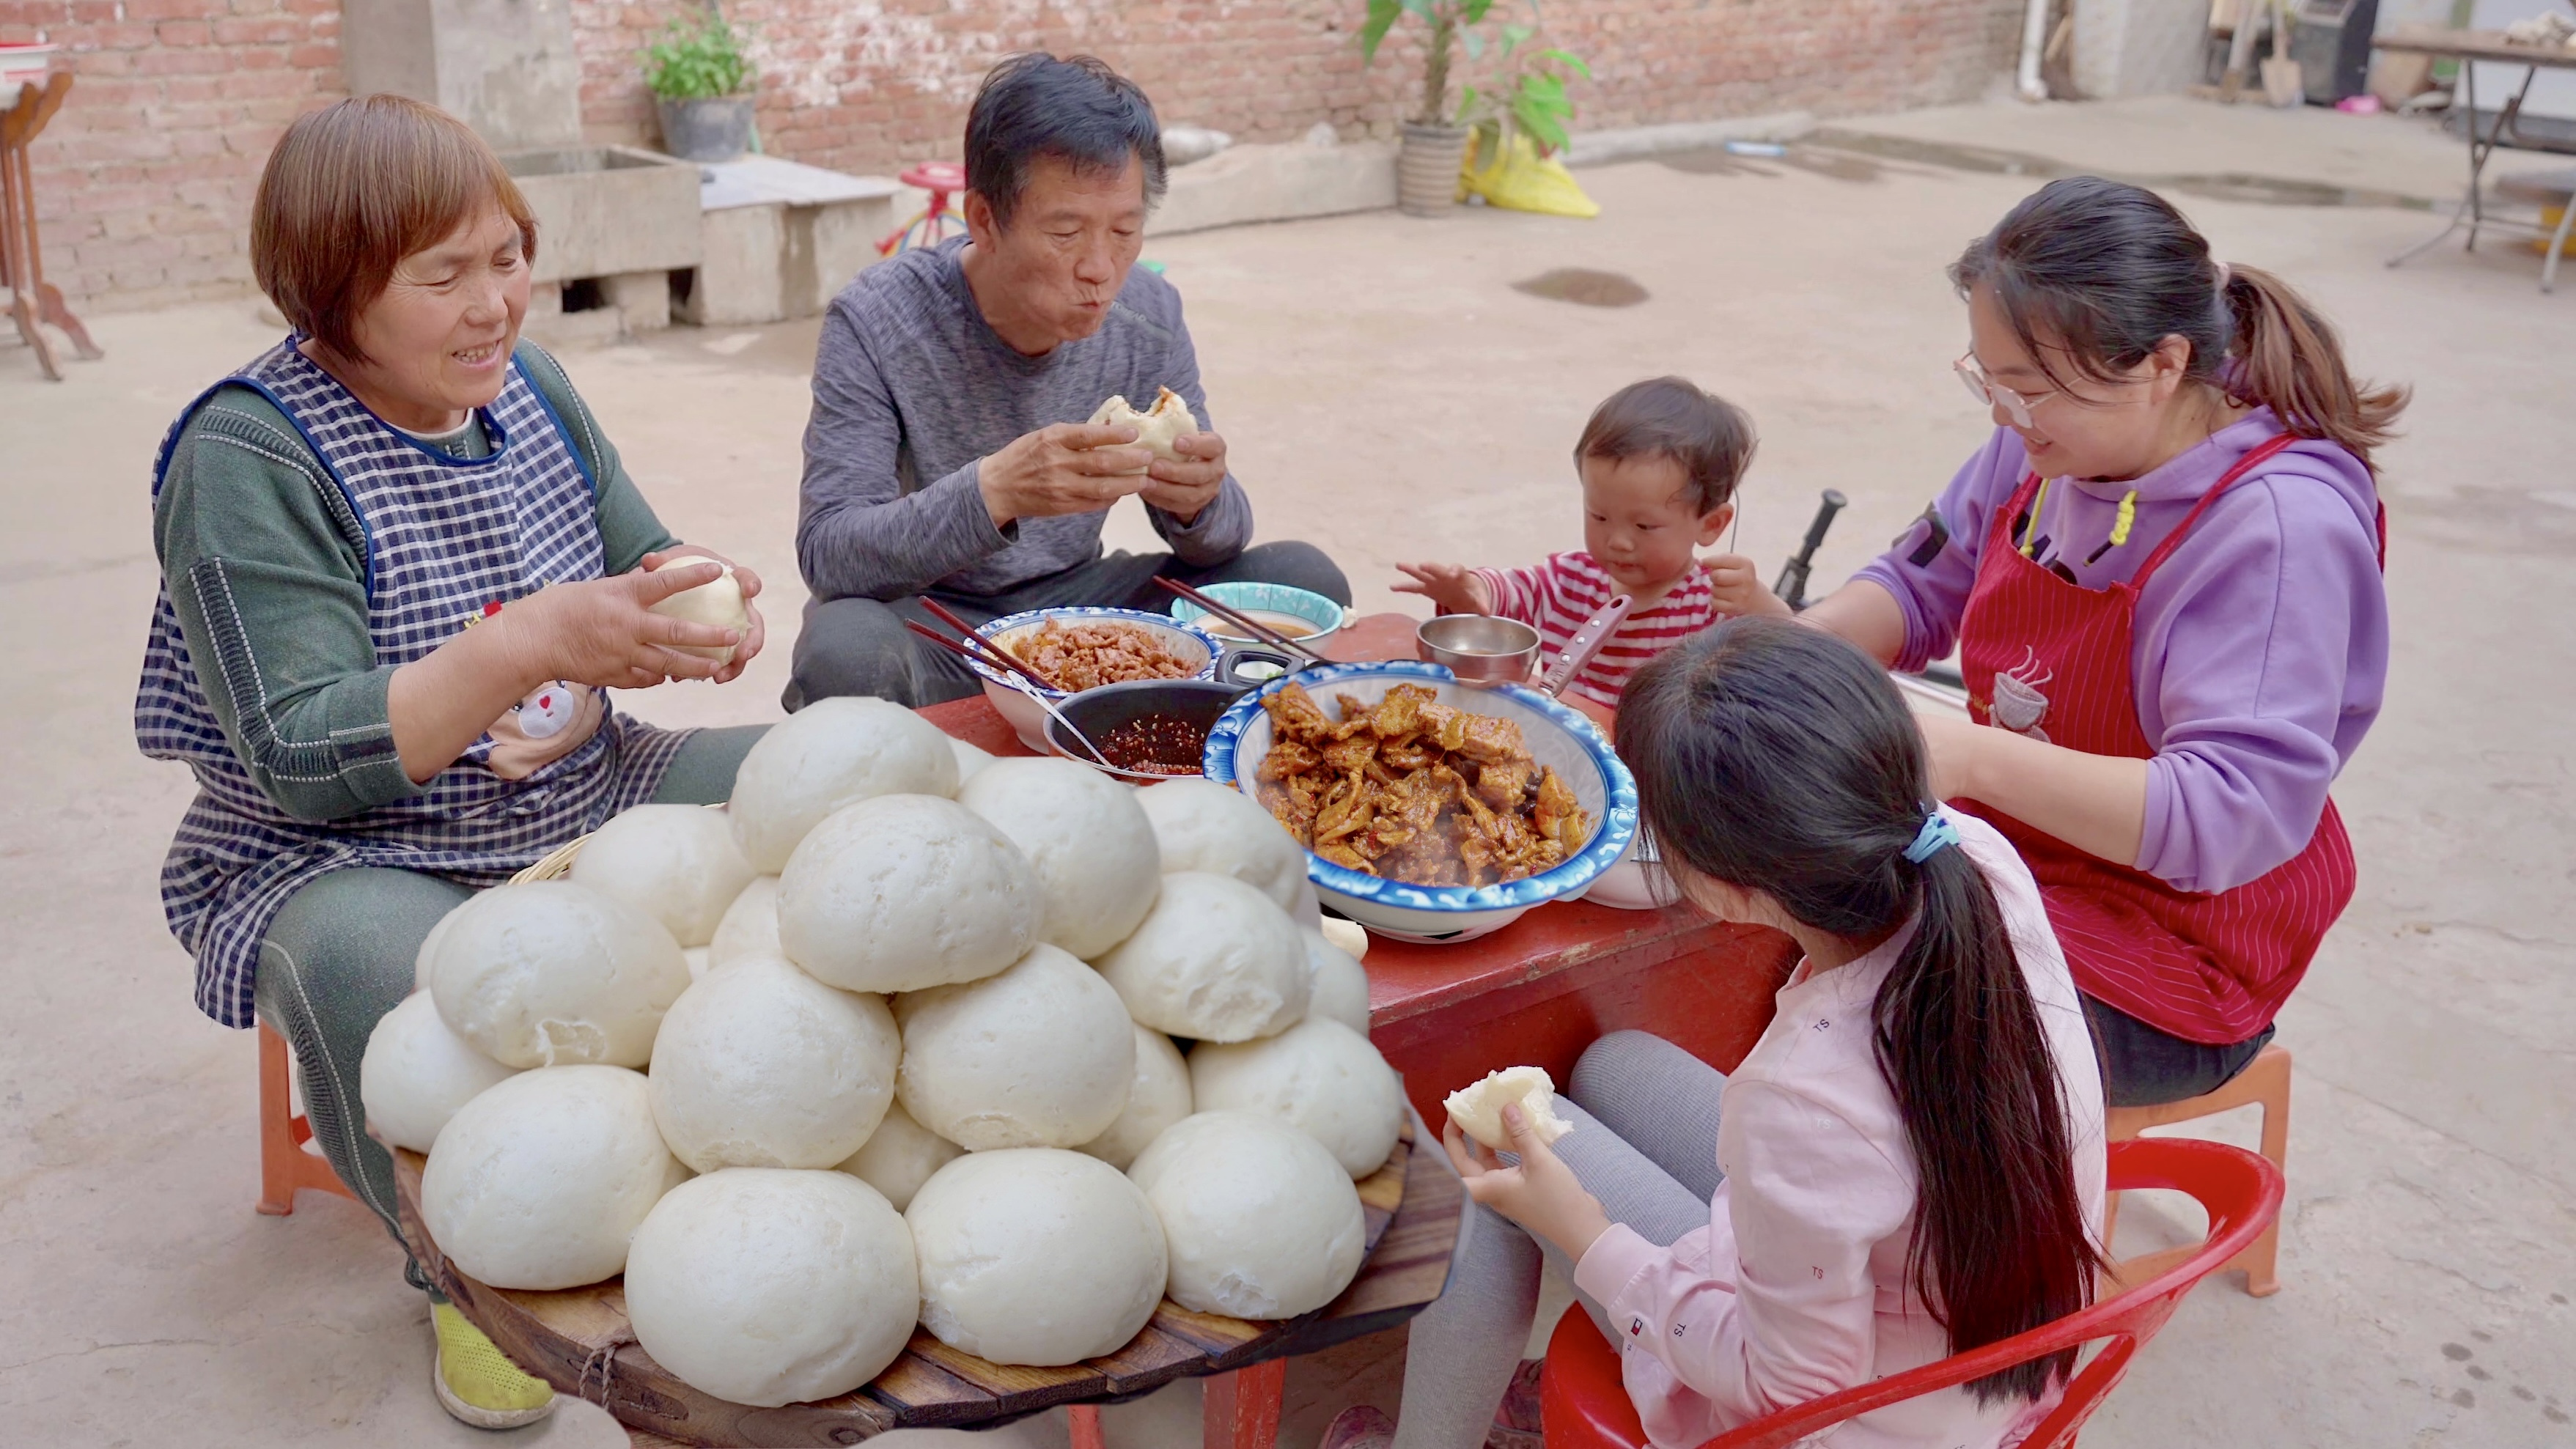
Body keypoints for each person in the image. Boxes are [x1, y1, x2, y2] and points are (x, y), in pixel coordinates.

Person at [135, 95, 768, 1430]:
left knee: (823, 782)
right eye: (442, 277)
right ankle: (462, 1269)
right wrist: (532, 637)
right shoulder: (246, 453)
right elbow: (304, 755)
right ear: (330, 295)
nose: (495, 307)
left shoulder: (527, 387)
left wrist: (690, 594)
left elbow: (638, 552)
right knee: (382, 967)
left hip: (583, 779)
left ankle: (750, 1144)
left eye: (507, 258)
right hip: (344, 848)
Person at [1328, 619, 2106, 1449]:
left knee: (1491, 1167)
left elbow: (1788, 1389)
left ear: (1724, 887)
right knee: (1611, 1065)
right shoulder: (1969, 854)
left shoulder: (1809, 1095)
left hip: (1855, 1420)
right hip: (1986, 1342)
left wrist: (1582, 1233)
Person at [1776, 177, 2397, 1108]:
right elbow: (1917, 583)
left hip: (2183, 948)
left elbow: (2229, 812)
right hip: (2026, 857)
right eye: (1988, 381)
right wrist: (1796, 651)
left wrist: (1966, 755)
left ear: (2161, 364)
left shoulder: (2277, 528)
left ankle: (1934, 1248)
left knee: (1879, 1033)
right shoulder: (2047, 443)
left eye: (2027, 390)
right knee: (1781, 912)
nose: (2002, 416)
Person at [787, 53, 1350, 710]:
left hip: (1085, 608)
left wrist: (1201, 501)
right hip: (938, 624)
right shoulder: (878, 319)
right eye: (1065, 231)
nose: (1100, 269)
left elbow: (1220, 542)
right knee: (844, 650)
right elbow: (830, 552)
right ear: (984, 219)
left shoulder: (1149, 314)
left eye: (1125, 230)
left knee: (1303, 579)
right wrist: (997, 491)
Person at [1391, 377, 1773, 715]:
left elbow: (1794, 659)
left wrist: (1760, 604)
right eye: (1599, 516)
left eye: (1644, 525)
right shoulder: (1570, 579)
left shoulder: (1712, 605)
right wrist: (1473, 590)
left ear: (1711, 524)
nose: (1618, 541)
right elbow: (1514, 592)